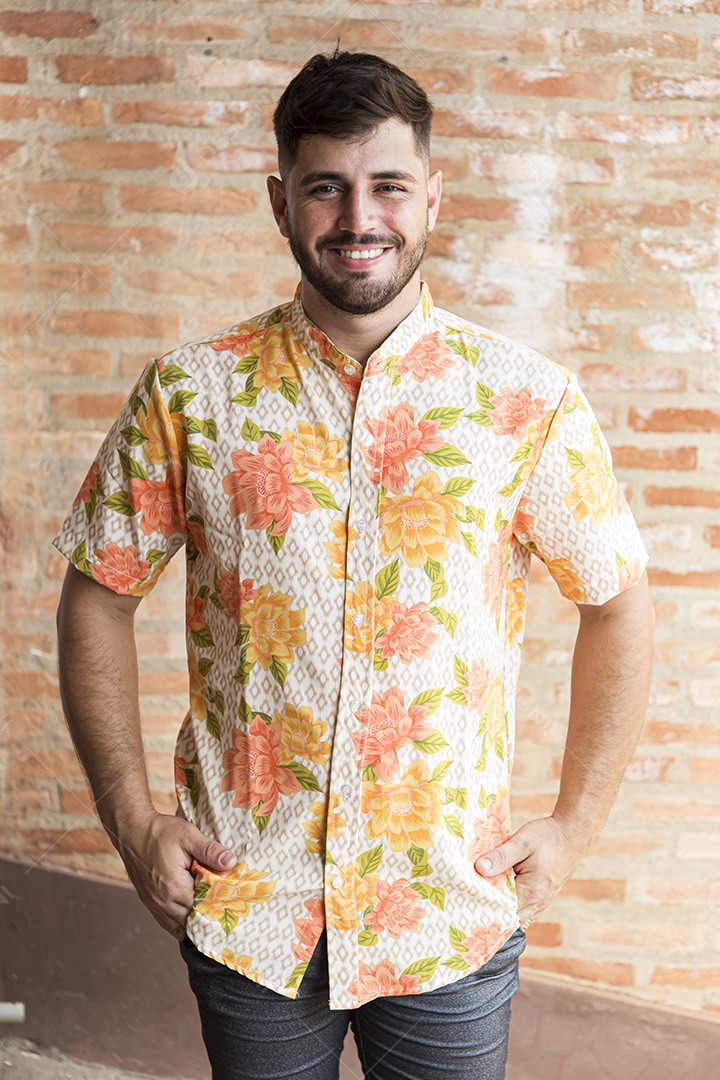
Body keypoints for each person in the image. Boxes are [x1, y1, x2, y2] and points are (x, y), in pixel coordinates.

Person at [54, 47, 654, 1080]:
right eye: (326, 187)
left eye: (388, 185)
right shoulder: (191, 395)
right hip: (252, 909)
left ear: (433, 198)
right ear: (279, 201)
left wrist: (573, 825)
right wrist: (130, 818)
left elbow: (619, 603)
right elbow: (96, 595)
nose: (358, 216)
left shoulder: (524, 402)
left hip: (448, 914)